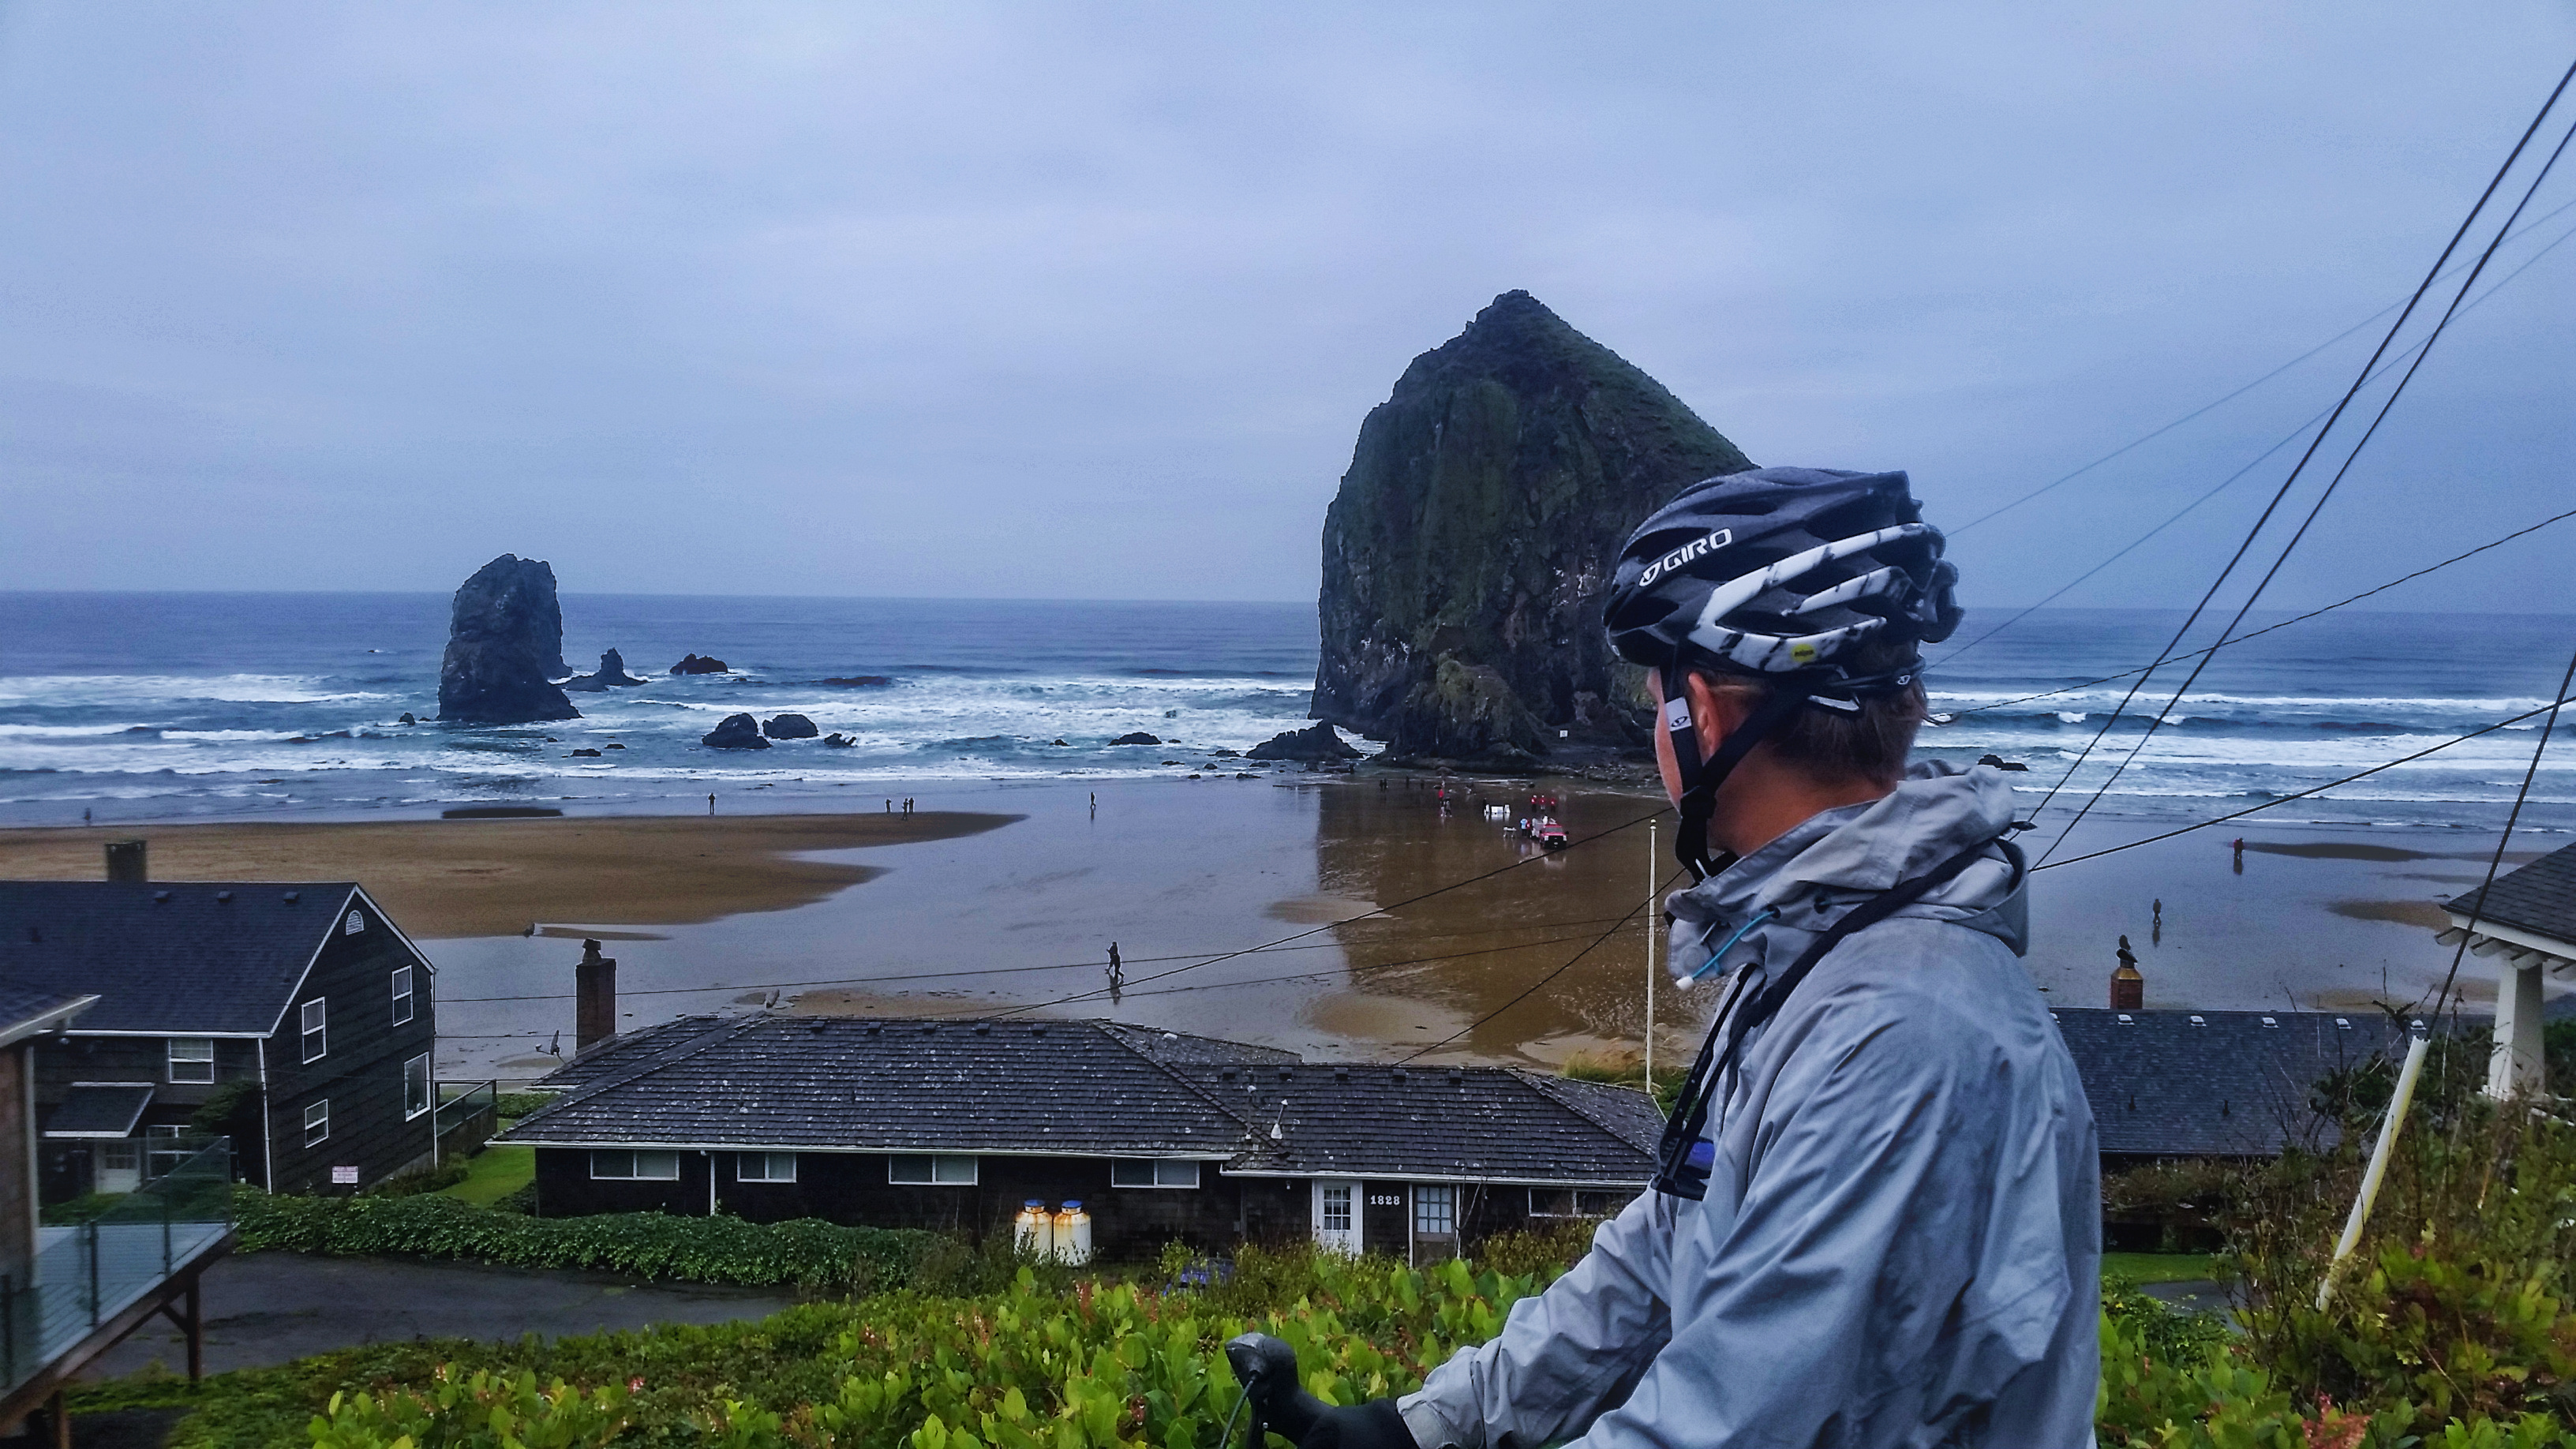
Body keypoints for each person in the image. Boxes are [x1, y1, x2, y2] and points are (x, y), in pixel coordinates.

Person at [1301, 467, 2099, 1449]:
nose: (1652, 731)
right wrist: (1423, 1427)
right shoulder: (1817, 957)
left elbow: (1727, 1419)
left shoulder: (1898, 1034)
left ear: (1703, 718)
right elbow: (1668, 1246)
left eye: (1655, 701)